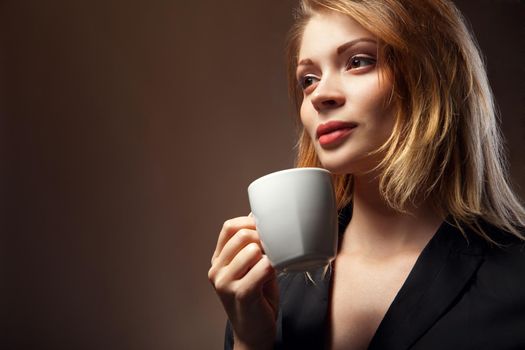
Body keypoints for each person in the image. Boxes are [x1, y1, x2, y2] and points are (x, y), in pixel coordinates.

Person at [208, 0, 525, 349]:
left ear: (431, 75)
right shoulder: (267, 292)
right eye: (308, 80)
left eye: (358, 62)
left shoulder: (514, 277)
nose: (321, 96)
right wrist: (248, 341)